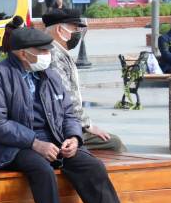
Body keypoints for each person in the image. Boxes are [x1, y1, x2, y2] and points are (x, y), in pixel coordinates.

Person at [0, 28, 153, 203]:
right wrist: (34, 142)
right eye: (41, 50)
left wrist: (73, 137)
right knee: (41, 169)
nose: (47, 54)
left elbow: (69, 112)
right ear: (21, 53)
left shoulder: (49, 75)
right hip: (13, 146)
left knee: (91, 165)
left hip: (54, 139)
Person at [43, 9, 126, 152]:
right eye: (74, 28)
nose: (78, 33)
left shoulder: (55, 51)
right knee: (114, 144)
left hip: (65, 124)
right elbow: (67, 97)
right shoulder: (53, 55)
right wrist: (88, 125)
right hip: (62, 129)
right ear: (59, 29)